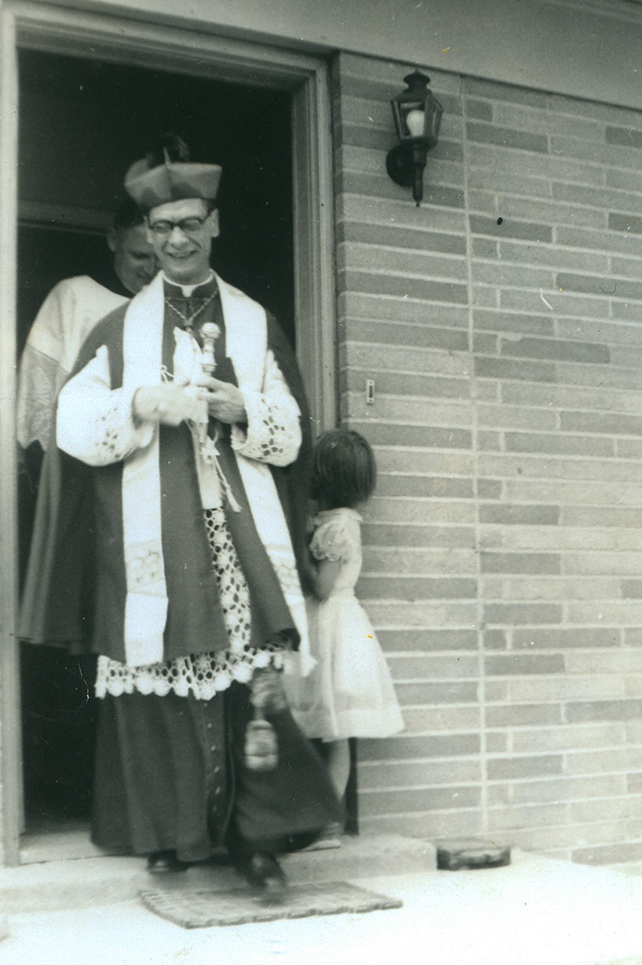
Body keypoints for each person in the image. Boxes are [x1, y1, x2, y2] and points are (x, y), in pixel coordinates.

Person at [19, 134, 339, 899]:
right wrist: (138, 400)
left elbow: (293, 431)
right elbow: (69, 423)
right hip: (150, 530)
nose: (176, 239)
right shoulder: (116, 329)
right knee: (154, 677)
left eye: (190, 224)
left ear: (215, 225)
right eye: (161, 227)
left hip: (237, 528)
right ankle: (169, 833)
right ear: (145, 234)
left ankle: (257, 840)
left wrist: (245, 407)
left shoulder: (256, 323)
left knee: (249, 677)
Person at [285, 429, 404, 846]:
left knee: (337, 731)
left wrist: (297, 548)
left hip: (332, 623)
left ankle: (329, 822)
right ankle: (313, 815)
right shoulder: (337, 523)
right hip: (330, 624)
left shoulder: (337, 530)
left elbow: (321, 586)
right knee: (329, 727)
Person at [16, 197, 157, 452]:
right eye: (140, 256)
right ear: (113, 240)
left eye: (160, 258)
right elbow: (37, 388)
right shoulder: (73, 295)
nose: (151, 269)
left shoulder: (171, 305)